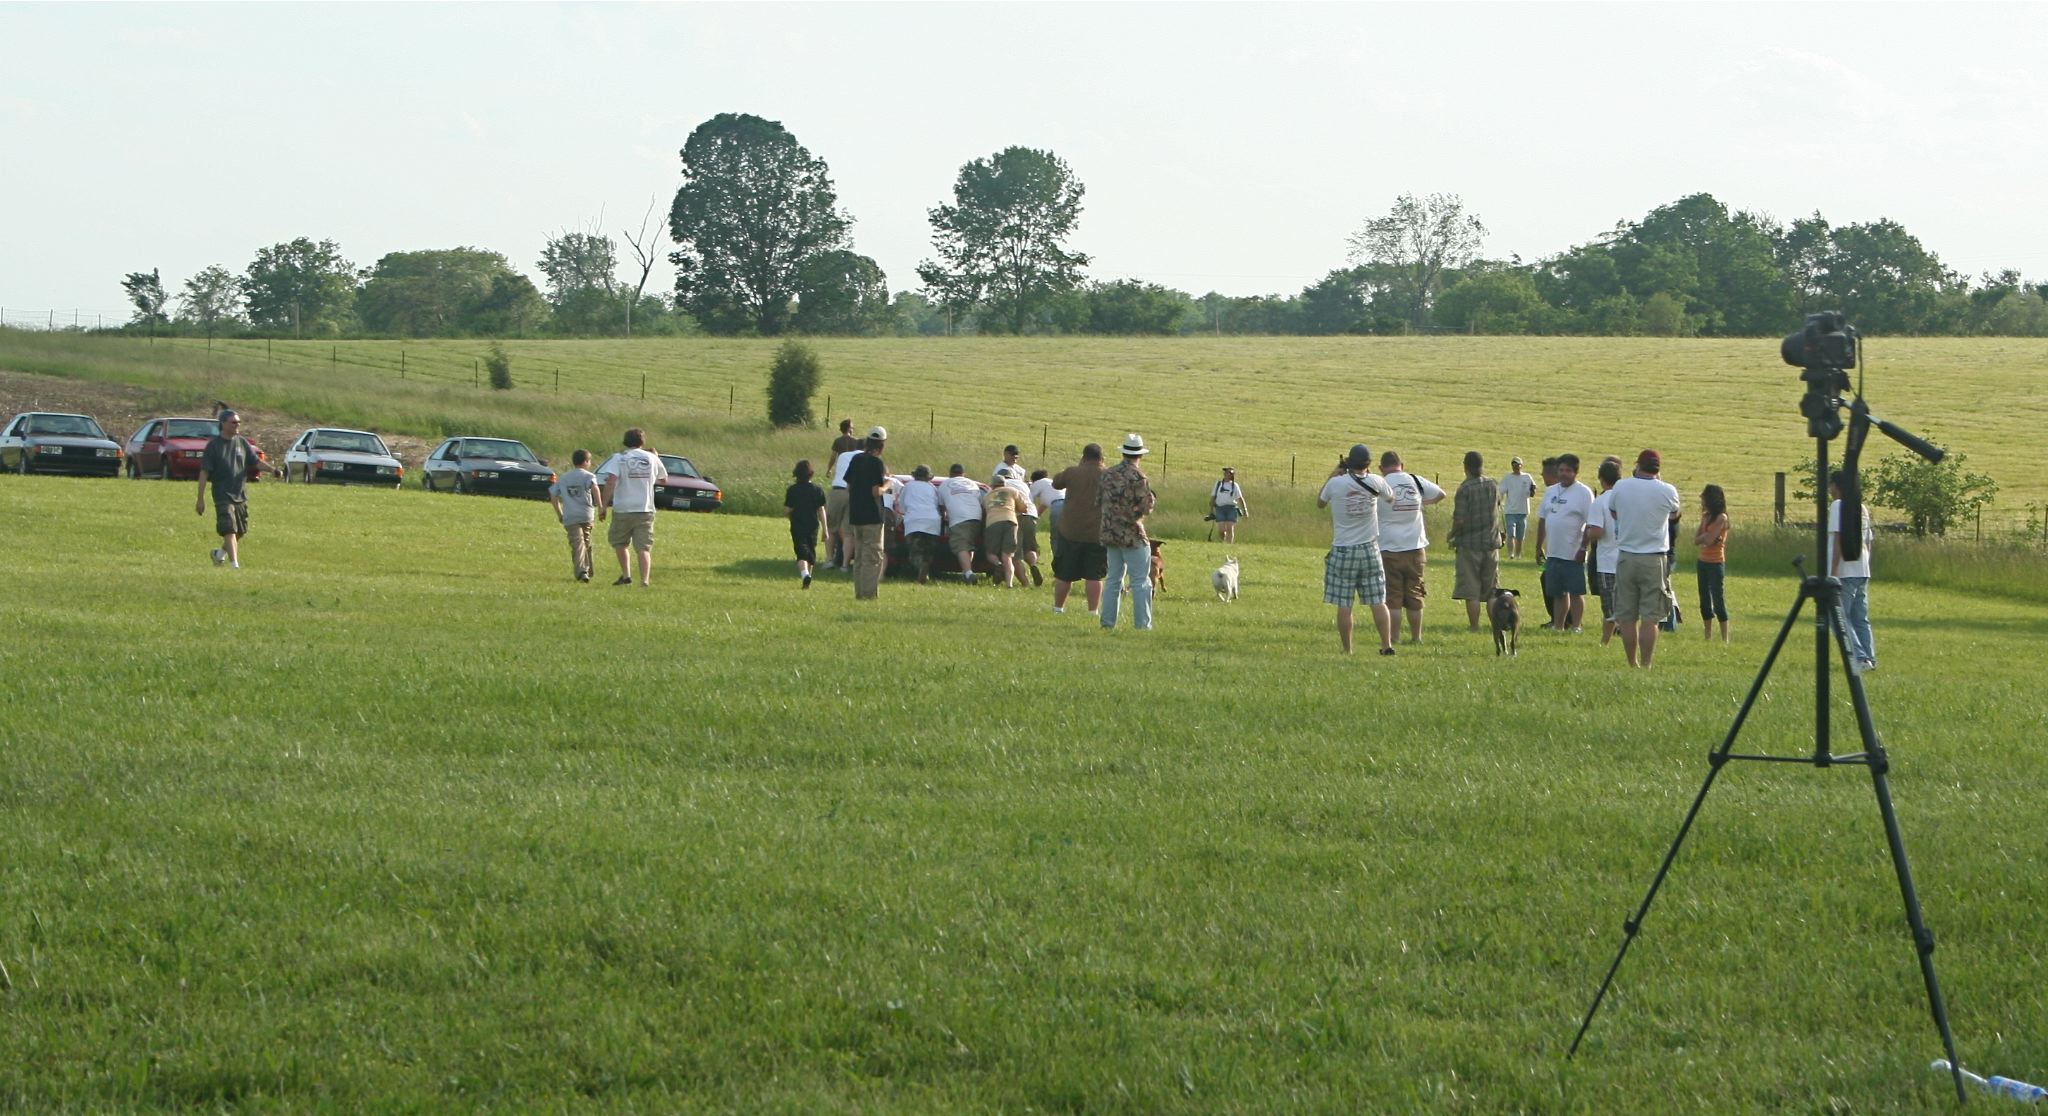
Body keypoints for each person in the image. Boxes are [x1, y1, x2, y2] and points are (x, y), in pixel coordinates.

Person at [1317, 444, 1397, 655]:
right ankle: (1386, 645)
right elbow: (1391, 497)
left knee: (1345, 604)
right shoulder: (1376, 481)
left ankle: (1348, 650)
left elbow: (1320, 503)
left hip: (1343, 549)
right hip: (1370, 548)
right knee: (1378, 601)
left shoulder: (1336, 483)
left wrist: (1334, 474)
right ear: (1368, 464)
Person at [1608, 449, 1682, 667]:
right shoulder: (1667, 490)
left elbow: (1613, 512)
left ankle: (1632, 662)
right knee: (1651, 617)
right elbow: (1675, 515)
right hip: (1654, 558)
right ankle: (1647, 663)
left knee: (1627, 617)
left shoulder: (1621, 486)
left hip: (1627, 556)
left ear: (1638, 465)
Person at [194, 408, 281, 569]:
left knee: (240, 531)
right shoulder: (214, 446)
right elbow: (204, 472)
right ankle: (234, 565)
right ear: (223, 424)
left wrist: (272, 470)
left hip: (240, 494)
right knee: (229, 529)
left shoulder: (242, 442)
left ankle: (219, 554)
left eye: (239, 422)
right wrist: (200, 499)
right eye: (234, 422)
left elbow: (256, 462)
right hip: (222, 494)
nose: (237, 425)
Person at [1376, 450, 1446, 644]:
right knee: (1415, 594)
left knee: (1393, 596)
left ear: (1381, 468)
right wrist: (1423, 503)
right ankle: (1416, 637)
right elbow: (1441, 494)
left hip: (1389, 547)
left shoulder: (1380, 484)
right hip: (1415, 547)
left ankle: (1394, 637)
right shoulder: (1415, 480)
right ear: (1402, 465)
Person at [1097, 433, 1157, 631]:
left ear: (1123, 452)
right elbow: (1145, 508)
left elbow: (1097, 501)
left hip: (1109, 532)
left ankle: (1107, 623)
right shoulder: (1138, 477)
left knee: (1113, 580)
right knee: (1140, 581)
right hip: (1131, 534)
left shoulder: (1107, 474)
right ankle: (1143, 625)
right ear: (1140, 455)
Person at [598, 428, 667, 587]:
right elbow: (664, 479)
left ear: (626, 441)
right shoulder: (652, 457)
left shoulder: (619, 458)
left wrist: (603, 505)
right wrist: (655, 460)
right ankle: (644, 580)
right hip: (645, 508)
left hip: (623, 508)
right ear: (642, 441)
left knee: (620, 542)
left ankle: (626, 575)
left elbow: (611, 480)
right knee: (643, 547)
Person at [1538, 453, 1595, 632]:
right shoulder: (1550, 491)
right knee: (1558, 593)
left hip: (1573, 553)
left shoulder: (1584, 493)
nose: (1564, 474)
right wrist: (1539, 546)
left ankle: (1576, 626)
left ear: (1575, 472)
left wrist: (1583, 548)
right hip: (1553, 552)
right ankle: (1558, 626)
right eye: (1561, 470)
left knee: (1576, 592)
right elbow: (1542, 518)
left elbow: (1590, 524)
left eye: (1568, 471)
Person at [1050, 444, 1107, 615]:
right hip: (1097, 532)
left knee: (1064, 574)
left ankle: (1058, 608)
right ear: (1101, 458)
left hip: (1070, 530)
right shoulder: (1108, 475)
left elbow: (1056, 483)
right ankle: (1093, 611)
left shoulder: (1072, 472)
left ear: (1084, 457)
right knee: (1094, 575)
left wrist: (1077, 468)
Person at [1829, 471, 1877, 672]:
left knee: (1839, 617)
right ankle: (1870, 658)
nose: (1829, 489)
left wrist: (1833, 571)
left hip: (1845, 570)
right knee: (1860, 617)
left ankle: (1859, 657)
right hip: (1862, 568)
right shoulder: (1861, 507)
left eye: (1831, 485)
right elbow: (1868, 541)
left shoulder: (1838, 506)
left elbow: (1839, 539)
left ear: (1837, 486)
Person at [1448, 451, 1501, 633]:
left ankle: (1474, 626)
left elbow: (1460, 520)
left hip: (1469, 545)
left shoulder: (1464, 489)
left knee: (1471, 590)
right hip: (1492, 543)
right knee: (1492, 589)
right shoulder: (1492, 484)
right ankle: (1495, 625)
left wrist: (1451, 534)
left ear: (1465, 467)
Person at [548, 448, 607, 583]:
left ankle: (582, 571)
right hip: (586, 514)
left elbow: (553, 494)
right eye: (589, 461)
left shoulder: (564, 477)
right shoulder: (589, 476)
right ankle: (586, 569)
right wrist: (600, 507)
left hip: (570, 515)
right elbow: (595, 489)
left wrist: (560, 513)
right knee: (585, 541)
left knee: (577, 542)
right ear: (585, 462)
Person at [844, 426, 890, 600]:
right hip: (872, 516)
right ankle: (868, 594)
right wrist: (888, 485)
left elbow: (848, 486)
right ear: (881, 445)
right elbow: (875, 492)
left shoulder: (856, 459)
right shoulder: (877, 463)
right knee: (872, 557)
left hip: (856, 514)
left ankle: (859, 592)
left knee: (860, 556)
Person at [1587, 457, 1624, 645]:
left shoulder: (1600, 502)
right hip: (1627, 559)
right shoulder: (1627, 498)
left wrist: (1586, 532)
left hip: (1607, 561)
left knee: (1609, 608)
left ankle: (1605, 641)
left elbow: (1597, 532)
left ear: (1601, 479)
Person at [783, 459, 828, 590]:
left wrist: (790, 515)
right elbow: (821, 510)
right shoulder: (817, 490)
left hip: (797, 524)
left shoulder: (792, 490)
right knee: (810, 552)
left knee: (801, 552)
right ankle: (807, 579)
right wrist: (825, 529)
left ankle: (805, 575)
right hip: (813, 525)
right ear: (811, 474)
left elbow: (787, 510)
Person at [939, 464, 987, 585]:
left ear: (950, 474)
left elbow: (941, 507)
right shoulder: (972, 484)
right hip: (977, 517)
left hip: (959, 519)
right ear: (963, 474)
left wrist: (944, 518)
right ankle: (967, 572)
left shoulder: (944, 485)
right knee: (969, 545)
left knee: (961, 546)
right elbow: (981, 502)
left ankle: (969, 574)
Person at [896, 465, 944, 584]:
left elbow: (901, 507)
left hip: (914, 521)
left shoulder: (908, 486)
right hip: (932, 521)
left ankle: (922, 568)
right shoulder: (932, 488)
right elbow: (937, 505)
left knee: (915, 550)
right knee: (928, 550)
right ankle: (924, 572)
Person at [1695, 484, 1730, 642]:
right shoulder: (1706, 516)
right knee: (1704, 599)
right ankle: (1707, 635)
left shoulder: (1722, 518)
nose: (1701, 499)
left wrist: (1706, 537)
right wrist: (1706, 537)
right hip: (1702, 561)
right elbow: (1697, 540)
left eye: (1704, 496)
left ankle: (1724, 638)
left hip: (1716, 563)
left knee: (1718, 599)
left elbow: (1708, 540)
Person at [1000, 465, 1043, 587]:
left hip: (1016, 516)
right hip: (1031, 515)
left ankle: (1025, 583)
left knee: (1015, 554)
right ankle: (1033, 564)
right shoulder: (1023, 484)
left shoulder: (1003, 484)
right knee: (1029, 547)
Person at [982, 470, 1025, 588]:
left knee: (991, 553)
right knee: (1007, 556)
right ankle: (1009, 584)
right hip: (1010, 521)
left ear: (992, 485)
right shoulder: (1012, 491)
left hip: (992, 522)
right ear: (1004, 484)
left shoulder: (986, 496)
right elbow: (1023, 508)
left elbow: (985, 511)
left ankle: (998, 564)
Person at [824, 441, 860, 571]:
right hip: (855, 493)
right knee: (848, 533)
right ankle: (845, 564)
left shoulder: (843, 456)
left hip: (838, 490)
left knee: (831, 528)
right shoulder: (868, 458)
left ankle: (829, 559)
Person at [1500, 456, 1536, 559]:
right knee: (1511, 534)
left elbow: (1533, 489)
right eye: (1514, 464)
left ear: (1521, 465)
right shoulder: (1508, 478)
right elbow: (1501, 491)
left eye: (1517, 464)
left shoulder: (1527, 477)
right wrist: (1499, 500)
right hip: (1510, 511)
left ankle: (1518, 556)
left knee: (1520, 537)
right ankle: (1510, 554)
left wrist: (1533, 490)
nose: (1515, 466)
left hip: (1523, 511)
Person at [1030, 467, 1062, 569]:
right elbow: (1042, 507)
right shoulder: (1051, 484)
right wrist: (1035, 517)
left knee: (1055, 538)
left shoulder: (1038, 483)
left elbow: (1028, 499)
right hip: (1070, 506)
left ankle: (1059, 565)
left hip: (1058, 507)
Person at [1211, 466, 1249, 543]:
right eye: (1225, 472)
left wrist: (1245, 510)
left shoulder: (1235, 485)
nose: (1226, 474)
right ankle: (1223, 539)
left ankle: (1229, 545)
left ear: (1232, 475)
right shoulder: (1218, 484)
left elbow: (1240, 498)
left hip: (1231, 508)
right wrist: (1211, 509)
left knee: (1230, 528)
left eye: (1228, 473)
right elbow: (1213, 497)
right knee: (1221, 530)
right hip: (1220, 508)